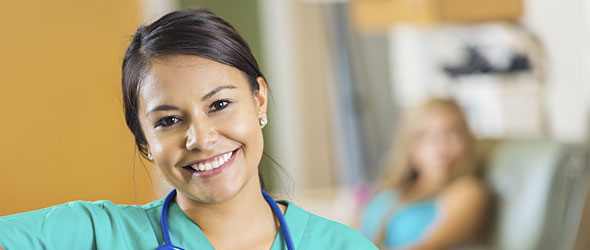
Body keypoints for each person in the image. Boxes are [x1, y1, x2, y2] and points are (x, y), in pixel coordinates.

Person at [0, 8, 377, 250]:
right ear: (144, 142)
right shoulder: (95, 235)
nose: (200, 138)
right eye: (167, 120)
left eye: (219, 105)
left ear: (259, 100)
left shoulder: (342, 245)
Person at [359, 98, 489, 250]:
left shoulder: (468, 191)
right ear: (409, 145)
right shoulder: (394, 189)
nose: (440, 148)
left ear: (466, 140)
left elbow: (426, 247)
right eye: (425, 136)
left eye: (450, 134)